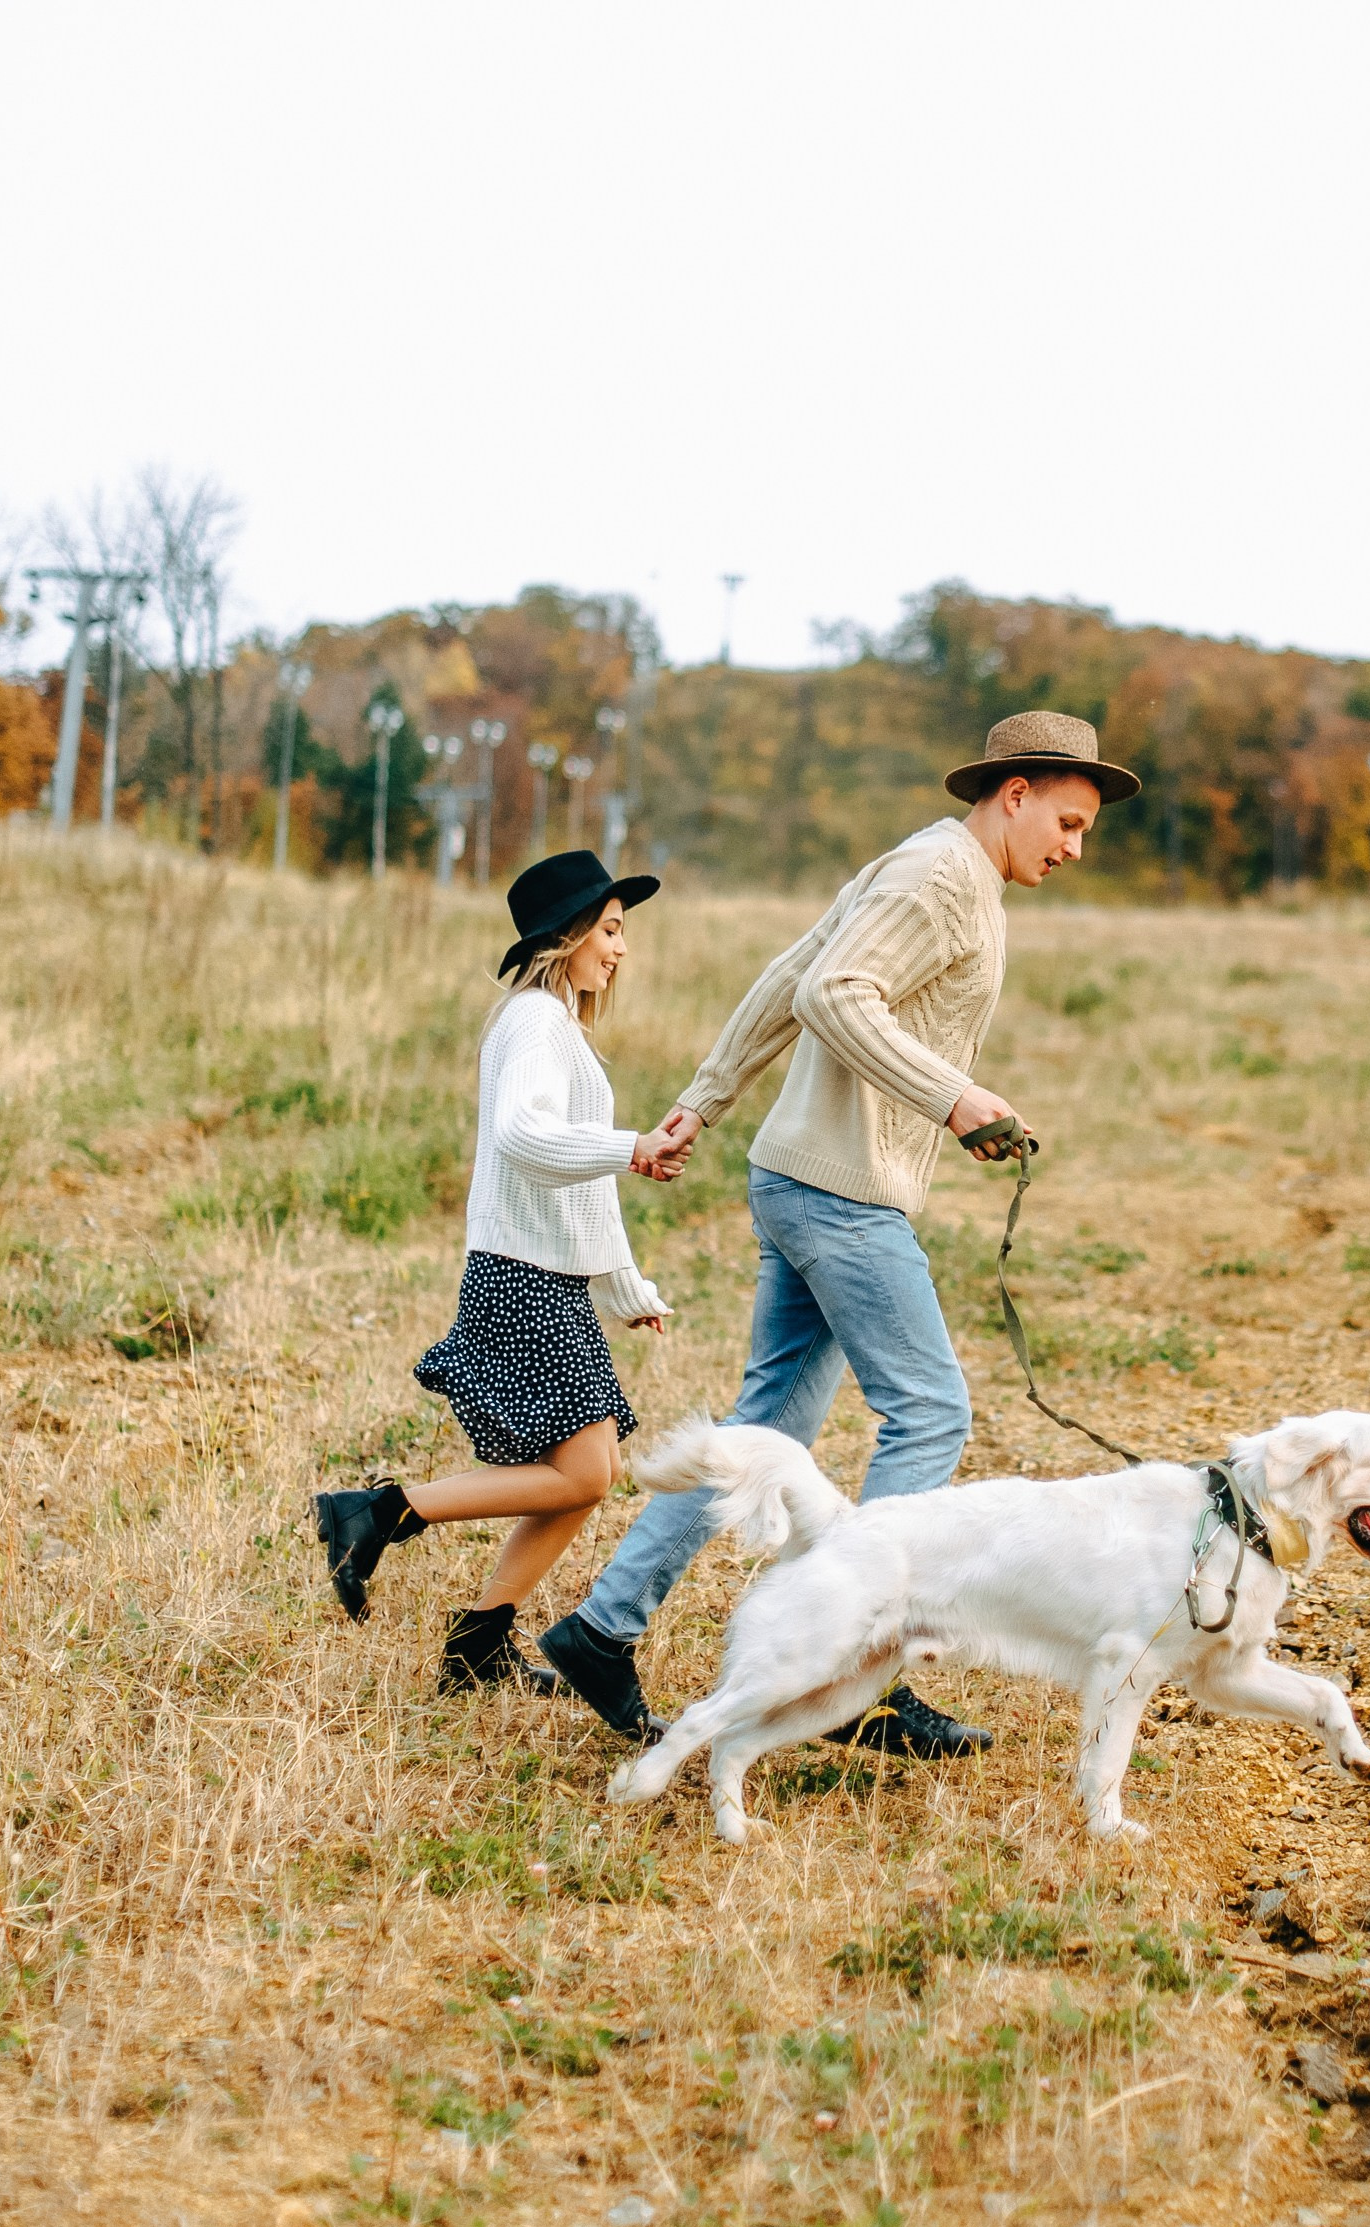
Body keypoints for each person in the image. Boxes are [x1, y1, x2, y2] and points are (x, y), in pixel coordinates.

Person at [538, 710, 1140, 1750]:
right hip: (838, 1193)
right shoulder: (939, 877)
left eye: (1085, 831)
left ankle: (601, 1626)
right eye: (1070, 820)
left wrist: (707, 1095)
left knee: (767, 1430)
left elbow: (792, 970)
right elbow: (829, 989)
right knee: (931, 1409)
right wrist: (953, 1097)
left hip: (805, 1177)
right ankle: (857, 1662)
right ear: (1014, 792)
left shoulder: (934, 868)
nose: (1074, 846)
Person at [313, 848, 674, 1698]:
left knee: (583, 1478)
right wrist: (630, 1148)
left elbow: (572, 1185)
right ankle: (382, 1513)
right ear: (570, 933)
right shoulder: (536, 1024)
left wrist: (625, 1291)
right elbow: (523, 1137)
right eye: (612, 929)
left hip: (542, 1275)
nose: (621, 949)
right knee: (588, 1473)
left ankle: (478, 1640)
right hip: (521, 1276)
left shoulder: (556, 1025)